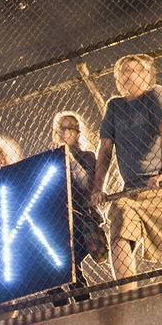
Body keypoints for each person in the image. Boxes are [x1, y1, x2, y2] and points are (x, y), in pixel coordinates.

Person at [90, 53, 162, 286]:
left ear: (146, 75)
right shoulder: (114, 106)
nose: (129, 76)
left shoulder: (156, 94)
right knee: (120, 226)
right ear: (117, 78)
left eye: (135, 70)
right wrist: (97, 188)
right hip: (131, 189)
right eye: (124, 72)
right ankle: (128, 296)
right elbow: (104, 149)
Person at [53, 111, 109, 268]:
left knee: (69, 262)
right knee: (67, 265)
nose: (64, 132)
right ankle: (75, 292)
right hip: (61, 219)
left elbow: (85, 183)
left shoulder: (87, 156)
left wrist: (69, 157)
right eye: (61, 128)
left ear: (77, 133)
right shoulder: (53, 159)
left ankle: (77, 290)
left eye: (69, 128)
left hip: (82, 216)